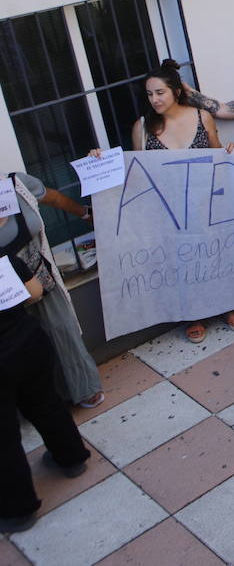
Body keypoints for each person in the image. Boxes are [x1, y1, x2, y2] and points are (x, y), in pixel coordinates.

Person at [130, 61, 234, 342]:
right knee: (182, 261)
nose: (154, 99)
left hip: (207, 201)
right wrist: (99, 160)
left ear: (176, 91)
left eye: (159, 92)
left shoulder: (202, 116)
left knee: (216, 253)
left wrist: (230, 152)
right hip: (169, 209)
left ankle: (227, 305)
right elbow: (139, 172)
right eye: (149, 94)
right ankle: (193, 314)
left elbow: (217, 156)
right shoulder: (143, 127)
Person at [0, 254, 92, 533]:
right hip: (29, 344)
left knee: (3, 437)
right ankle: (72, 458)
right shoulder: (7, 261)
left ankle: (18, 510)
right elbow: (36, 292)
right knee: (46, 404)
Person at [1, 173, 102, 408]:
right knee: (20, 346)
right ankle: (38, 401)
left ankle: (84, 388)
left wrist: (85, 213)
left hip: (39, 274)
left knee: (62, 329)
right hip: (5, 292)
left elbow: (54, 198)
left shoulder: (17, 184)